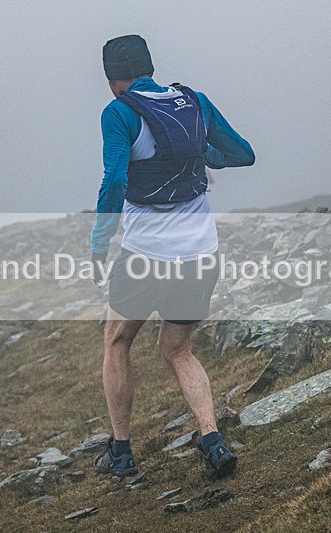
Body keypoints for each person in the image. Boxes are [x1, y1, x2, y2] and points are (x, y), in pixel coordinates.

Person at [90, 34, 255, 479]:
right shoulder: (195, 101)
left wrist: (99, 242)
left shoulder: (119, 113)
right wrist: (201, 158)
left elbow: (114, 182)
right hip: (201, 252)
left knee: (117, 340)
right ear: (149, 67)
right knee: (177, 347)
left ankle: (122, 452)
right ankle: (212, 440)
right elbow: (244, 155)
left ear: (113, 79)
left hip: (145, 254)